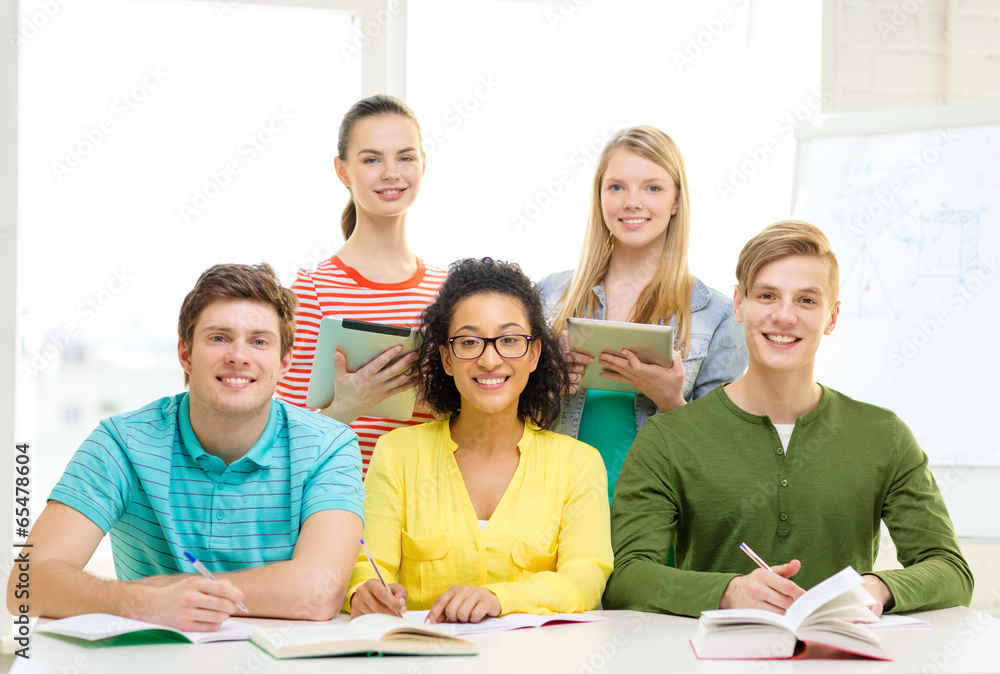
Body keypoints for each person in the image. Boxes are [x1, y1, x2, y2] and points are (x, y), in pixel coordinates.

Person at [603, 220, 973, 618]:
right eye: (767, 296)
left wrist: (878, 587)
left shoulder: (885, 435)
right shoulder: (668, 437)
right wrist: (728, 591)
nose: (784, 316)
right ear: (739, 306)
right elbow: (626, 579)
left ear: (832, 317)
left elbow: (951, 571)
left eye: (807, 301)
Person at [6, 263, 364, 631]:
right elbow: (27, 586)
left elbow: (319, 592)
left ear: (284, 362)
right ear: (185, 354)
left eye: (259, 341)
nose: (239, 356)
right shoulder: (121, 442)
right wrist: (143, 603)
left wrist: (163, 589)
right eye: (219, 338)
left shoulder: (329, 446)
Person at [347, 258, 613, 623]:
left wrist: (498, 597)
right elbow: (367, 564)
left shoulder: (578, 463)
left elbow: (585, 579)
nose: (490, 360)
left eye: (509, 340)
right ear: (446, 358)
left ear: (534, 354)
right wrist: (363, 592)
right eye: (469, 342)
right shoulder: (397, 454)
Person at [538, 126, 748, 503]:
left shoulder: (716, 315)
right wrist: (545, 383)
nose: (632, 202)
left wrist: (672, 402)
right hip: (555, 510)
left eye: (652, 188)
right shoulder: (549, 296)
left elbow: (726, 458)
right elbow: (502, 418)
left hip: (654, 520)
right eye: (616, 187)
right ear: (599, 197)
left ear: (676, 201)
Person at [276, 95, 447, 471]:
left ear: (422, 163)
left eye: (405, 157)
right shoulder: (312, 289)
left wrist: (426, 398)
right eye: (372, 159)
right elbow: (284, 437)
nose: (391, 173)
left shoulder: (448, 291)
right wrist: (351, 403)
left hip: (430, 510)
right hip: (342, 507)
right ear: (343, 171)